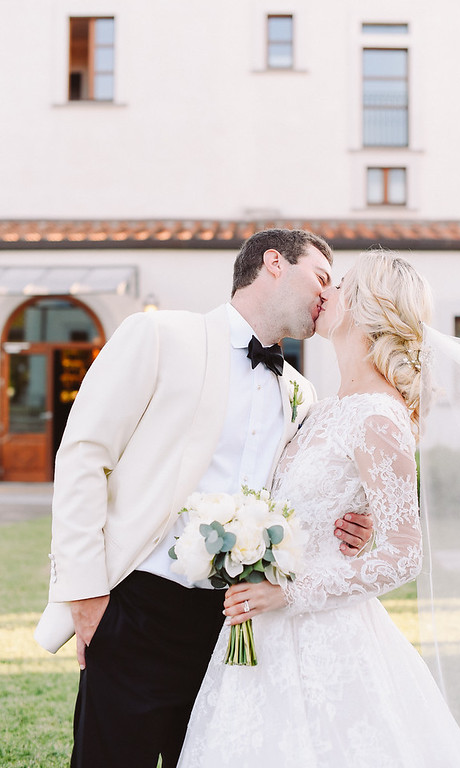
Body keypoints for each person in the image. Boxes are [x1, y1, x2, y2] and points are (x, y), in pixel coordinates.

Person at [34, 228, 374, 768]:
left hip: (236, 624)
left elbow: (303, 494)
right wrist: (85, 596)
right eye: (322, 277)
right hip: (137, 604)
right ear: (274, 264)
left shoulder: (301, 394)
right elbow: (83, 456)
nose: (328, 296)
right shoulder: (159, 334)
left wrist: (352, 521)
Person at [176, 249, 460, 767]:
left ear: (368, 308)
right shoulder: (318, 409)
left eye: (337, 285)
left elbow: (405, 555)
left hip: (324, 638)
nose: (325, 292)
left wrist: (290, 593)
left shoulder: (379, 417)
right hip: (261, 632)